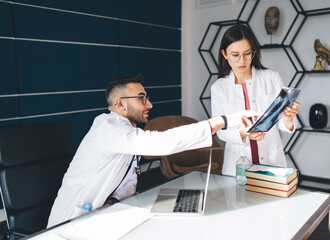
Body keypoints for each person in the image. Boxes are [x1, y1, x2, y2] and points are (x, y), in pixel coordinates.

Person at [47, 74, 259, 227]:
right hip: (71, 225)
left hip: (105, 215)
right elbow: (161, 143)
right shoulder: (107, 127)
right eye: (142, 98)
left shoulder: (126, 132)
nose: (149, 104)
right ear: (120, 104)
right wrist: (222, 121)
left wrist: (114, 202)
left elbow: (126, 182)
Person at [211, 24, 300, 177]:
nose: (242, 61)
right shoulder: (218, 88)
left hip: (272, 162)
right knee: (238, 200)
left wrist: (289, 118)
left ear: (254, 52)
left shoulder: (271, 78)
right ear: (225, 54)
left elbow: (284, 124)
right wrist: (243, 133)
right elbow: (221, 131)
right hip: (236, 165)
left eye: (247, 54)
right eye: (235, 55)